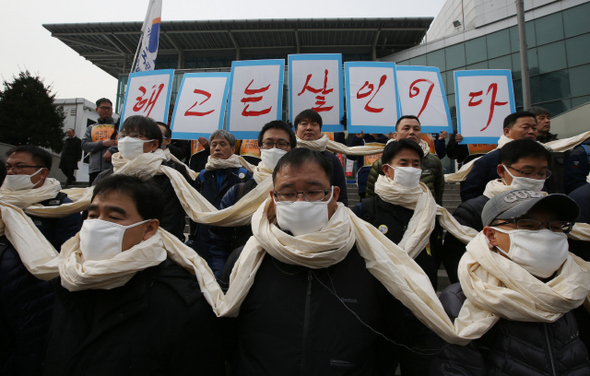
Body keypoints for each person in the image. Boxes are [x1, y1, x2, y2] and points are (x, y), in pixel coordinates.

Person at [221, 148, 421, 375]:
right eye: (287, 193)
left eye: (313, 191)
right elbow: (228, 337)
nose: (300, 201)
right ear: (273, 198)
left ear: (334, 195)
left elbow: (389, 338)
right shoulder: (245, 261)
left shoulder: (373, 260)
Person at [43, 174, 223, 375]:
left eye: (114, 217)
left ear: (149, 228)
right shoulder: (67, 280)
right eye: (93, 216)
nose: (97, 225)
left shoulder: (181, 303)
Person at [431, 188, 590, 375]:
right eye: (528, 225)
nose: (546, 235)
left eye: (555, 227)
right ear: (491, 236)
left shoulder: (578, 287)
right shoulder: (461, 300)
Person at [352, 139, 437, 375]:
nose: (411, 168)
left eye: (416, 163)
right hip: (378, 315)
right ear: (387, 169)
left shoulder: (431, 211)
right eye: (404, 163)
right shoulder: (367, 210)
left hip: (420, 314)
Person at [442, 139, 552, 283]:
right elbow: (455, 260)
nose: (535, 179)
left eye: (542, 173)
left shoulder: (551, 208)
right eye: (527, 172)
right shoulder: (473, 211)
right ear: (502, 171)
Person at [208, 120, 295, 278]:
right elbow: (218, 243)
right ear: (260, 148)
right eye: (269, 143)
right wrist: (223, 277)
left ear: (292, 149)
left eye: (281, 144)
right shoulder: (238, 192)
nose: (274, 148)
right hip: (241, 274)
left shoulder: (305, 192)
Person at [94, 115, 191, 241]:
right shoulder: (105, 176)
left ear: (154, 144)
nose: (127, 140)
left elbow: (170, 224)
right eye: (123, 136)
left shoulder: (168, 176)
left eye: (136, 136)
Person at [0, 160, 55, 375]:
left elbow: (32, 341)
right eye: (9, 166)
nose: (14, 171)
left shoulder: (20, 264)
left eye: (20, 166)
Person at [2, 145, 81, 249]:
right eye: (8, 166)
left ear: (43, 173)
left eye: (19, 166)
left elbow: (68, 253)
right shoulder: (3, 199)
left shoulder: (63, 209)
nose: (10, 172)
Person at [189, 129, 252, 257]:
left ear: (233, 149)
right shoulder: (202, 176)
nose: (217, 148)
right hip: (204, 238)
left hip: (232, 239)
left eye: (223, 144)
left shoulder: (243, 175)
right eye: (214, 145)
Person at [366, 115, 445, 205]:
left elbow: (438, 198)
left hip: (424, 214)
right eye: (406, 128)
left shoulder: (434, 162)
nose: (411, 132)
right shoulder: (381, 163)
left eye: (416, 129)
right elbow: (371, 197)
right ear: (395, 135)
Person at [460, 111, 538, 202]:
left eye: (534, 128)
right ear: (507, 131)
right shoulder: (489, 160)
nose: (531, 132)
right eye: (525, 127)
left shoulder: (544, 157)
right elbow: (470, 194)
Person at [293, 109, 349, 205]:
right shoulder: (287, 157)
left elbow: (341, 195)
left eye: (314, 124)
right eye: (304, 124)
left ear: (320, 130)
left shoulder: (331, 159)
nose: (309, 128)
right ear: (295, 130)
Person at [82, 98, 118, 185]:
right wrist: (102, 144)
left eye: (109, 108)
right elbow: (84, 145)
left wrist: (111, 150)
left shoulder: (118, 128)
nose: (106, 110)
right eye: (103, 108)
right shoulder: (91, 128)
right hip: (95, 169)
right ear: (97, 110)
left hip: (114, 169)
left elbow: (125, 144)